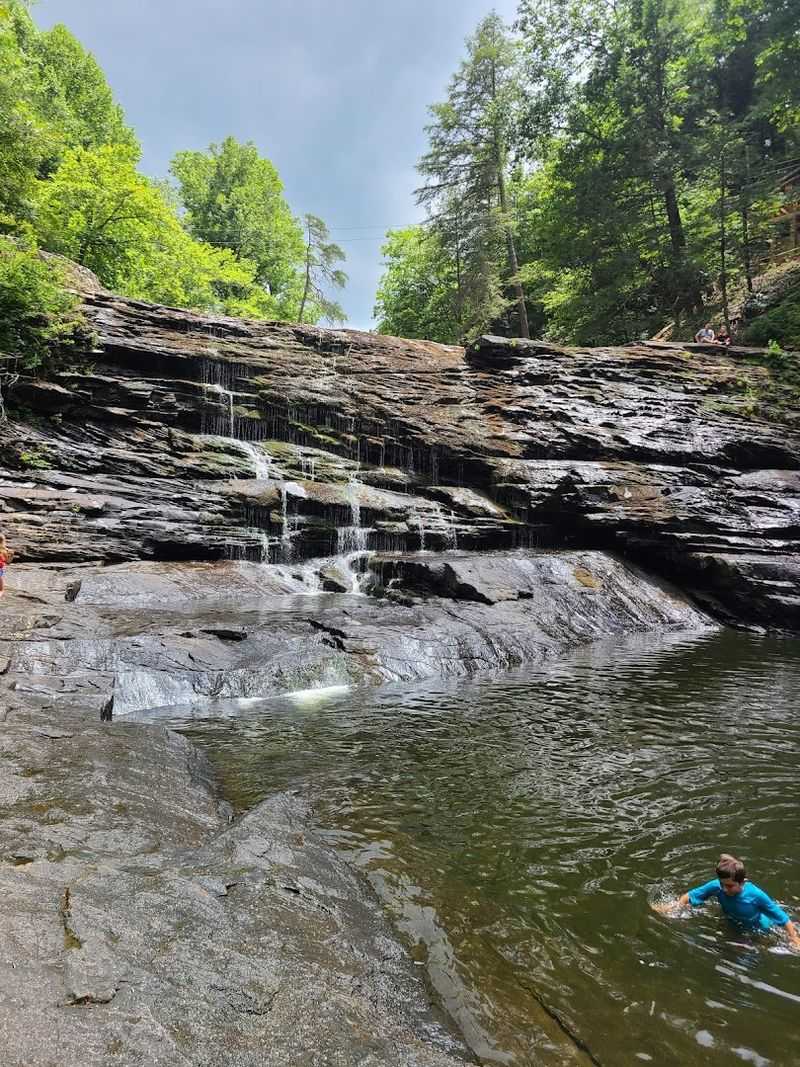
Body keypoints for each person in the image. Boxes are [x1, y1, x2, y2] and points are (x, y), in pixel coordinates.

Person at [654, 854, 800, 948]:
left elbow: (782, 918)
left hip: (760, 928)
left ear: (742, 882)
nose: (724, 889)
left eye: (729, 886)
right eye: (722, 884)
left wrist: (794, 939)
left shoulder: (756, 895)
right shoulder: (717, 886)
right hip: (732, 923)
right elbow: (690, 895)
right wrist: (675, 907)